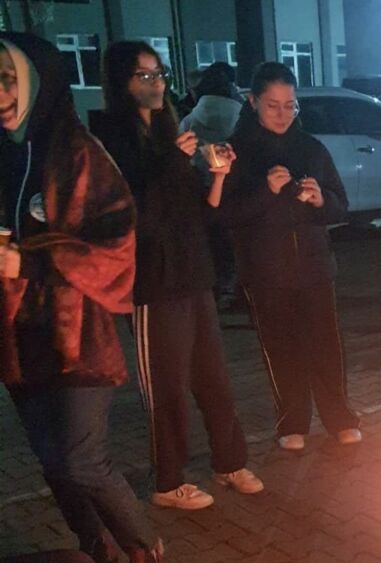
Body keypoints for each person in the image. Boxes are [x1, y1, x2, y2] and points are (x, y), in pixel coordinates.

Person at [0, 32, 163, 563]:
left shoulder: (76, 153)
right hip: (22, 342)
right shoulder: (4, 154)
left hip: (79, 341)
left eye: (9, 79)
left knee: (82, 460)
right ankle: (96, 550)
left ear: (36, 81)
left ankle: (145, 549)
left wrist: (34, 260)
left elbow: (118, 244)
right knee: (52, 462)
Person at [94, 40, 262, 510]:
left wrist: (219, 175)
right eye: (143, 76)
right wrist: (170, 158)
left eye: (159, 75)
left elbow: (196, 211)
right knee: (166, 387)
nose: (155, 84)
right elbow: (130, 213)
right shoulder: (111, 139)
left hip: (193, 273)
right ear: (120, 82)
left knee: (214, 377)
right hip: (153, 280)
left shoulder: (169, 130)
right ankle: (167, 482)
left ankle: (229, 462)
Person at [214, 62, 361, 451]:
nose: (282, 114)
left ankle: (339, 417)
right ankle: (292, 421)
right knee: (282, 349)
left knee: (327, 347)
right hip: (265, 272)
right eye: (272, 105)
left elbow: (340, 206)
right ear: (252, 102)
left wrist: (319, 200)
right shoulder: (237, 152)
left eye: (289, 105)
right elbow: (224, 215)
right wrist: (265, 190)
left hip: (314, 268)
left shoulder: (311, 148)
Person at [179, 64, 244, 311]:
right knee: (237, 243)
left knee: (215, 243)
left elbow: (181, 159)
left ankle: (217, 290)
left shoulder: (190, 121)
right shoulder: (242, 117)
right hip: (237, 188)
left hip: (203, 188)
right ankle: (238, 290)